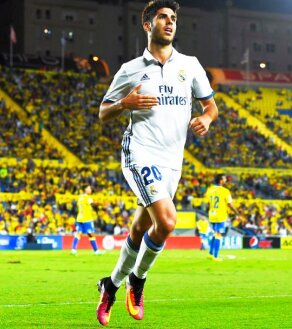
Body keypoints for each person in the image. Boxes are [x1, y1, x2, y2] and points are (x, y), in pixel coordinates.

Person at [95, 0, 218, 325]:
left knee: (141, 227)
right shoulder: (130, 69)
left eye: (173, 18)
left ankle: (111, 285)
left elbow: (211, 106)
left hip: (172, 160)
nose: (169, 22)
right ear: (147, 25)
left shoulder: (190, 65)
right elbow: (103, 112)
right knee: (166, 222)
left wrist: (206, 119)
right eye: (162, 17)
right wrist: (125, 102)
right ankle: (137, 281)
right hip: (140, 152)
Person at [205, 174, 240, 261]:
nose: (226, 180)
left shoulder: (209, 190)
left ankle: (210, 253)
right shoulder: (225, 191)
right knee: (218, 235)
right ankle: (216, 256)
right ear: (220, 180)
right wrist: (237, 212)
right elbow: (230, 204)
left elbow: (208, 203)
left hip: (212, 214)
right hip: (220, 215)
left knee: (214, 233)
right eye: (224, 179)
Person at [71, 184, 103, 256]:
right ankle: (96, 251)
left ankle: (73, 250)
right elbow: (93, 204)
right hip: (87, 218)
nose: (90, 190)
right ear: (85, 189)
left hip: (79, 218)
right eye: (89, 188)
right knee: (91, 234)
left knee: (78, 233)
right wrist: (101, 203)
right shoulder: (87, 197)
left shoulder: (80, 197)